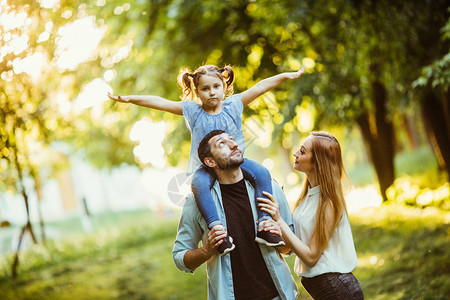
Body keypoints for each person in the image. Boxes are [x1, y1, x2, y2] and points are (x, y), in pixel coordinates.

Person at [108, 64, 305, 254]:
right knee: (198, 184)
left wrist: (288, 75)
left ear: (224, 87)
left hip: (236, 162)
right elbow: (160, 102)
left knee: (262, 172)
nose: (212, 92)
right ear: (197, 92)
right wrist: (129, 99)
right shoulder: (193, 111)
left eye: (216, 86)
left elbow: (260, 86)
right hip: (207, 167)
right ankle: (218, 230)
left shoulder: (234, 105)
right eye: (205, 88)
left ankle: (264, 225)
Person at [173, 130, 298, 300]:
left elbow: (288, 249)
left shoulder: (271, 189)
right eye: (221, 144)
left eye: (231, 140)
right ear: (210, 161)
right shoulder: (195, 203)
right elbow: (180, 256)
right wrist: (205, 251)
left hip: (278, 295)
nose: (233, 144)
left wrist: (279, 230)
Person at [258, 131, 364, 300]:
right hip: (324, 289)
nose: (295, 153)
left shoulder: (329, 202)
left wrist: (279, 219)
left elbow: (310, 257)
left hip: (337, 290)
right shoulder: (306, 197)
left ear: (317, 163)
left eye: (302, 151)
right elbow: (289, 248)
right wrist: (277, 215)